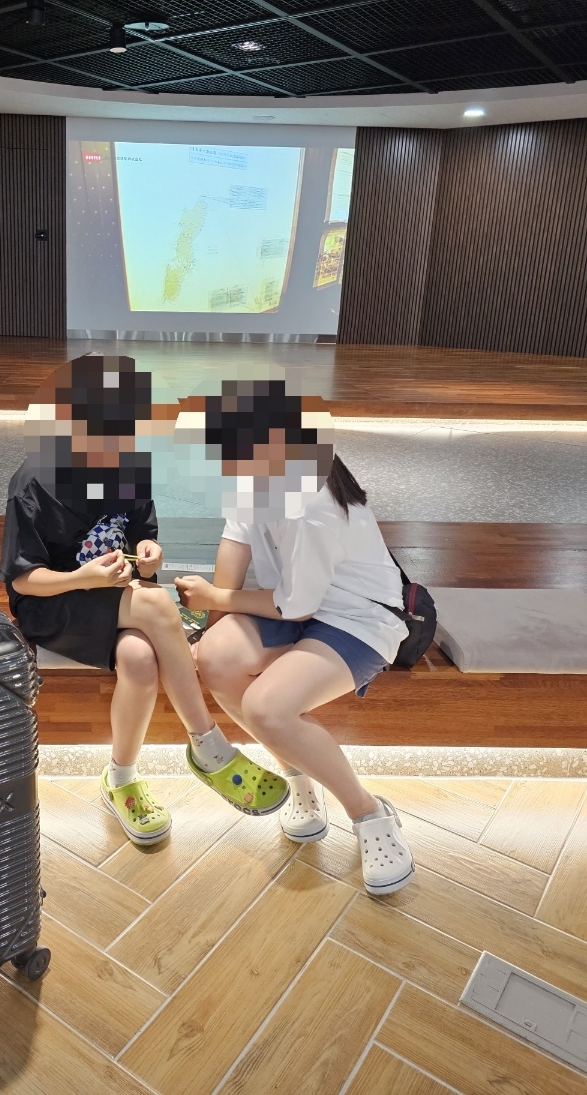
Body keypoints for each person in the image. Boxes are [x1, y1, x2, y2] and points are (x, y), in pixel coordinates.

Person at [0, 354, 289, 847]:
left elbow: (141, 540)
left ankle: (121, 778)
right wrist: (82, 577)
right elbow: (25, 581)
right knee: (156, 606)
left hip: (116, 595)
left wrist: (150, 554)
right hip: (55, 602)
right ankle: (207, 744)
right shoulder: (32, 482)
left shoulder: (128, 465)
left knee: (138, 659)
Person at [175, 377, 415, 895]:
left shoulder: (311, 504)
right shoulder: (256, 470)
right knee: (215, 658)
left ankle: (369, 813)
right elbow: (235, 545)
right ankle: (299, 774)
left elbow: (294, 605)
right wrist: (209, 630)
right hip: (296, 603)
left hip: (356, 619)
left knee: (267, 708)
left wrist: (214, 598)